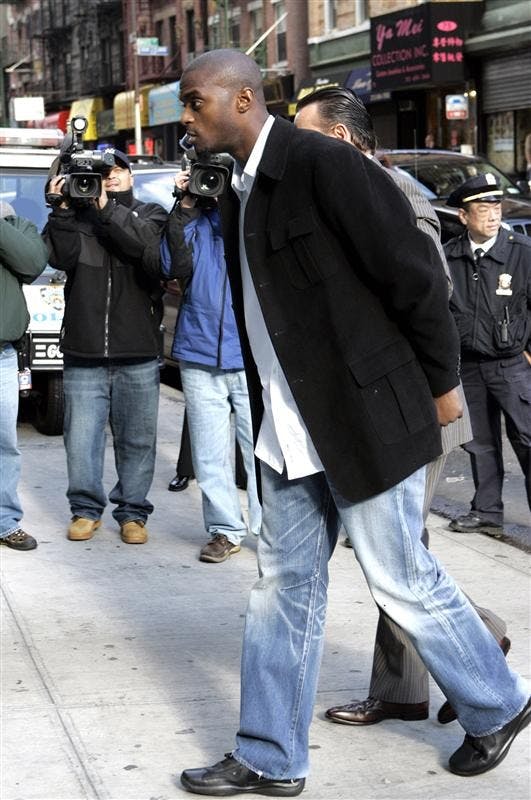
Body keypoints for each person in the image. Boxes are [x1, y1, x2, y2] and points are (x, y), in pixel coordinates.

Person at [178, 50, 530, 795]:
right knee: (282, 588)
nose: (185, 117)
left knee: (399, 578)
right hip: (288, 428)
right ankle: (270, 756)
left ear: (241, 100)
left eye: (193, 101)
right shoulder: (237, 189)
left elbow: (414, 276)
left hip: (365, 416)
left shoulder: (324, 164)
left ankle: (499, 703)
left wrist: (443, 385)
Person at [293, 86, 511, 729]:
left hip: (415, 405)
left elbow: (428, 301)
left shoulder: (394, 196)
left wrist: (433, 394)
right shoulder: (343, 190)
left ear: (338, 138)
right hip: (385, 404)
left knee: (395, 558)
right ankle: (433, 667)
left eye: (304, 135)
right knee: (398, 553)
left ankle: (448, 662)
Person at [43, 149, 167, 545]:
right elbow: (60, 259)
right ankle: (85, 510)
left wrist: (105, 207)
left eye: (116, 170)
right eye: (101, 173)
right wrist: (62, 210)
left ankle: (133, 514)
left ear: (131, 176)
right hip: (84, 349)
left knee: (137, 440)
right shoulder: (75, 218)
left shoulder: (150, 214)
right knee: (81, 440)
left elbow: (145, 248)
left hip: (138, 350)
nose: (109, 177)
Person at [147, 167, 261, 562]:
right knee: (210, 454)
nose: (214, 185)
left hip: (250, 356)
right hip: (199, 353)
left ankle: (272, 532)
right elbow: (169, 265)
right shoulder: (191, 219)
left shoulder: (253, 216)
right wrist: (185, 205)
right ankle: (224, 530)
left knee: (260, 453)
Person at [444, 174, 531, 534]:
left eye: (497, 207)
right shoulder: (450, 255)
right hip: (469, 366)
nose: (493, 215)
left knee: (527, 439)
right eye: (483, 209)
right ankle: (486, 511)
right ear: (464, 216)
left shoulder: (521, 251)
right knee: (479, 444)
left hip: (511, 364)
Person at [0, 201, 48, 551]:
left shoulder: (16, 223)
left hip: (2, 352)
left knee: (5, 443)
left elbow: (32, 263)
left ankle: (4, 522)